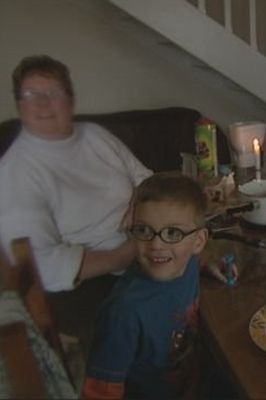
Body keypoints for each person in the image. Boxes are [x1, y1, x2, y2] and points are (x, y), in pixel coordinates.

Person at [0, 55, 153, 351]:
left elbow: (145, 177)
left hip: (145, 244)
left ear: (70, 99)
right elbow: (40, 264)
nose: (43, 104)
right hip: (92, 281)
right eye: (31, 95)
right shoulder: (14, 173)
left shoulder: (93, 135)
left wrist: (138, 202)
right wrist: (125, 254)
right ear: (19, 104)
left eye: (53, 93)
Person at [82, 172, 210, 398]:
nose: (156, 245)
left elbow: (195, 259)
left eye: (173, 232)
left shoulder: (188, 262)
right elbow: (99, 392)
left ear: (198, 242)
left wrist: (210, 264)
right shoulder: (123, 314)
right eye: (143, 230)